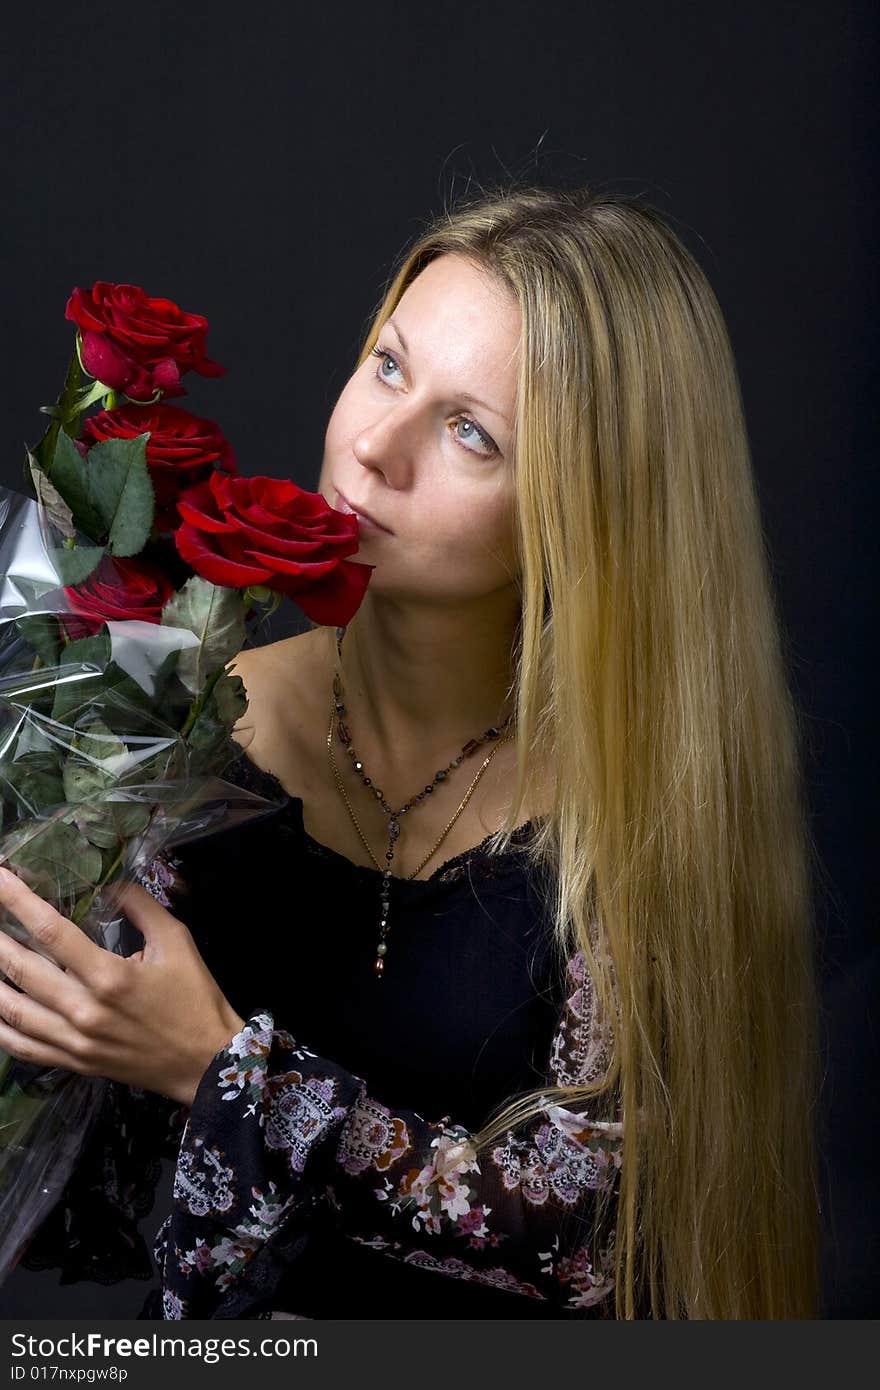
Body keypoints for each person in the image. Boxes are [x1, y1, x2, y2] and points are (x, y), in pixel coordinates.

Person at [0, 182, 821, 1320]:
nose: (372, 446)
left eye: (470, 431)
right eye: (388, 366)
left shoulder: (639, 808)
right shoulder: (185, 728)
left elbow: (578, 1234)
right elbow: (77, 1158)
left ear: (586, 512)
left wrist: (224, 1070)